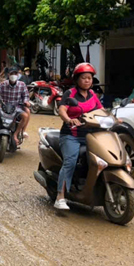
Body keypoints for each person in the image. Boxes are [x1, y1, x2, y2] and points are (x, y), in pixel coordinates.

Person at [54, 62, 104, 210]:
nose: (87, 81)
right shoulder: (70, 94)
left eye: (89, 78)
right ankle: (60, 196)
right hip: (71, 135)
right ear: (77, 79)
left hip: (90, 135)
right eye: (84, 78)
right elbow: (62, 109)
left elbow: (101, 110)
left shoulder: (93, 95)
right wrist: (69, 120)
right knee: (70, 161)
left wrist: (115, 118)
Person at [0, 67, 30, 147]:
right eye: (12, 74)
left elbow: (26, 96)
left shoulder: (22, 85)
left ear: (17, 75)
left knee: (25, 115)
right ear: (8, 75)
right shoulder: (3, 84)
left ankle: (16, 134)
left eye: (15, 74)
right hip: (5, 106)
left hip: (17, 107)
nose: (13, 75)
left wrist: (26, 101)